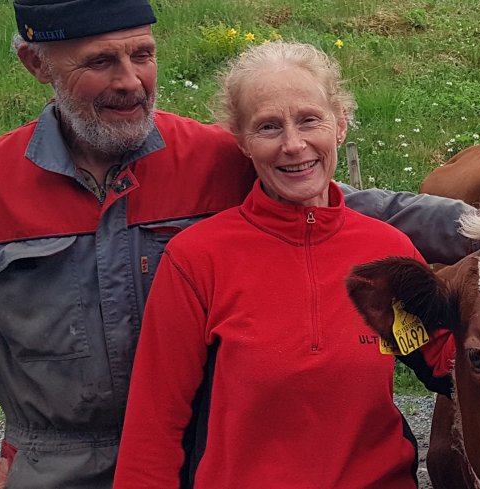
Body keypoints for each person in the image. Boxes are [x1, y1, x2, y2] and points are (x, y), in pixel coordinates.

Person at [0, 1, 473, 488]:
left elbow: (338, 212)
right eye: (100, 61)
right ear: (38, 64)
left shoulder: (217, 158)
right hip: (52, 467)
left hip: (201, 453)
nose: (130, 81)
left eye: (143, 54)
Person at [113, 41, 452, 488]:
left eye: (310, 120)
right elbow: (154, 427)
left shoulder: (386, 250)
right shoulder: (197, 258)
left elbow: (449, 363)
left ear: (340, 125)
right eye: (269, 127)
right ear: (242, 142)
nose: (294, 145)